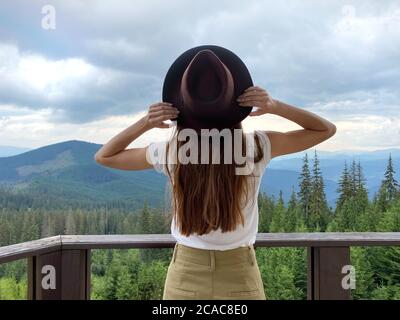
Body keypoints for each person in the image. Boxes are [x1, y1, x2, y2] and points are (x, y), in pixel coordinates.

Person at [94, 45, 336, 300]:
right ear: (233, 105)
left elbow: (105, 156)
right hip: (240, 275)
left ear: (186, 106)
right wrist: (275, 106)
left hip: (185, 275)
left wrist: (146, 122)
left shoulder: (173, 152)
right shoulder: (256, 148)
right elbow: (325, 130)